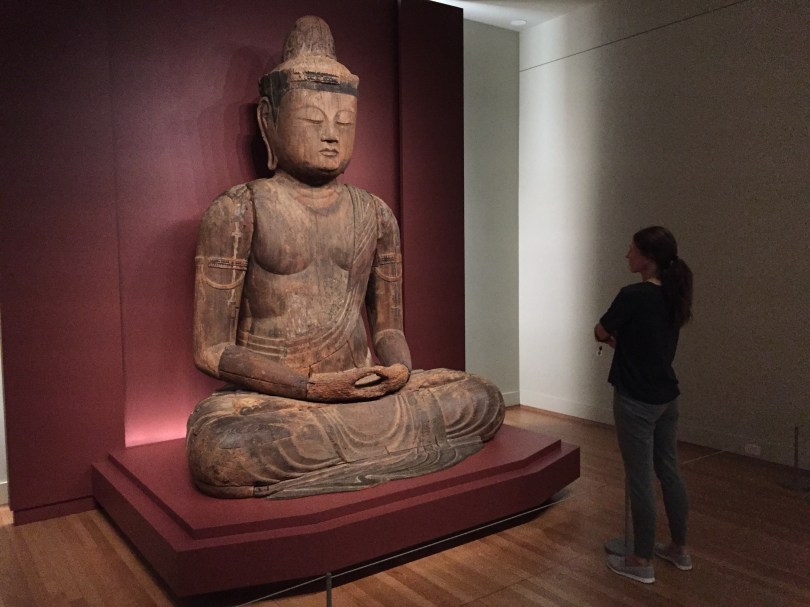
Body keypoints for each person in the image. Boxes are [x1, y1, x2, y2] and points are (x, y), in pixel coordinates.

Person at [185, 16, 504, 499]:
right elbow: (210, 348)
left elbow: (389, 329)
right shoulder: (238, 210)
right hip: (279, 400)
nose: (331, 134)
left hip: (363, 392)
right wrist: (310, 389)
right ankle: (388, 455)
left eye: (345, 121)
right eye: (313, 120)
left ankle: (348, 459)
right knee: (221, 447)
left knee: (481, 398)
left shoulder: (375, 214)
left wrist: (396, 370)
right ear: (268, 120)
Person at [594, 226, 694, 583]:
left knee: (639, 478)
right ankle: (679, 550)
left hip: (636, 397)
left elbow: (601, 330)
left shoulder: (633, 295)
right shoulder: (673, 292)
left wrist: (621, 341)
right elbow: (651, 339)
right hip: (667, 396)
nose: (627, 255)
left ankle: (641, 560)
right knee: (669, 471)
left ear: (648, 258)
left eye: (632, 249)